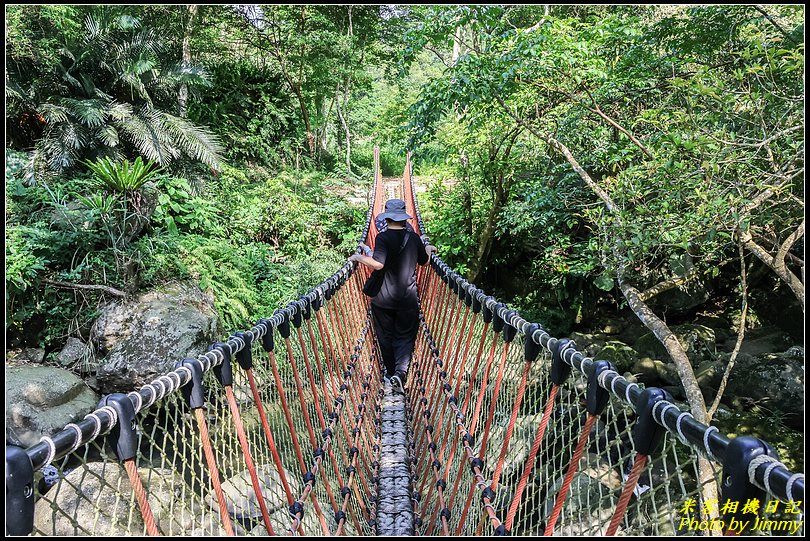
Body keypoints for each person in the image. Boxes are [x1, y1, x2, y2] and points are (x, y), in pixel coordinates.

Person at [349, 199, 436, 394]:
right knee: (405, 336)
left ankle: (390, 373)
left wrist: (358, 257)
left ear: (386, 217)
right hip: (407, 299)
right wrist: (428, 249)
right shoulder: (413, 237)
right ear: (404, 217)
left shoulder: (383, 238)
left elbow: (378, 264)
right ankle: (401, 373)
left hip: (383, 299)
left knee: (385, 336)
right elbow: (423, 261)